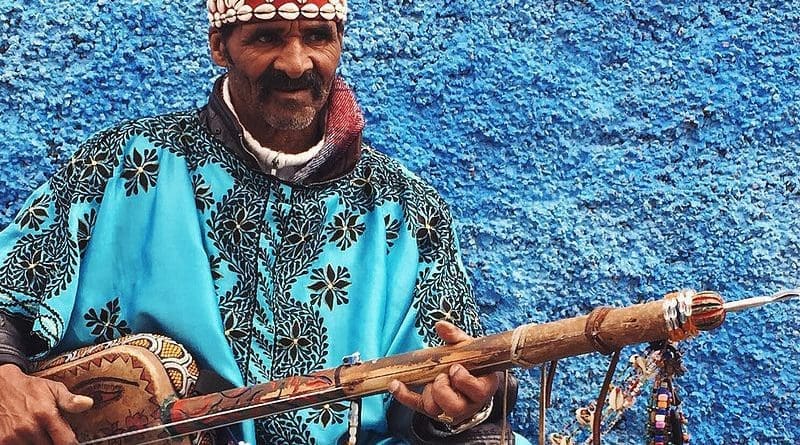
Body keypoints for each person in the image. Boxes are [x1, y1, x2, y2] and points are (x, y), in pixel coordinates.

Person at [0, 0, 524, 443]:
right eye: (267, 37)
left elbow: (443, 393)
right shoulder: (126, 166)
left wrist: (460, 404)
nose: (296, 63)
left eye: (317, 36)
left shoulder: (407, 208)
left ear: (339, 41)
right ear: (219, 45)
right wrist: (5, 379)